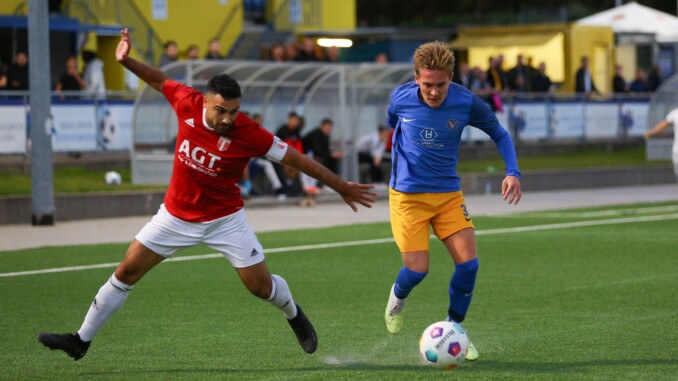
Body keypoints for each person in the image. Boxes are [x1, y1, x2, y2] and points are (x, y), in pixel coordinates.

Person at [37, 28, 376, 361]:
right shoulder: (186, 101)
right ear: (206, 100)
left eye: (234, 110)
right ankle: (80, 341)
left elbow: (297, 159)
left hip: (224, 220)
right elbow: (157, 79)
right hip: (174, 216)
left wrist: (342, 186)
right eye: (221, 110)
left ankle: (293, 313)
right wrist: (126, 62)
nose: (228, 118)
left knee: (260, 288)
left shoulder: (251, 133)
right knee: (126, 272)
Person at [382, 41, 522, 362]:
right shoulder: (399, 98)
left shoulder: (466, 102)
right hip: (407, 198)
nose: (434, 92)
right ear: (416, 78)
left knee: (469, 265)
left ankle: (455, 329)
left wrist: (512, 172)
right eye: (428, 85)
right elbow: (393, 123)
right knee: (417, 271)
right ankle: (397, 299)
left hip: (447, 195)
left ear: (451, 79)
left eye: (441, 85)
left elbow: (499, 133)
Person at [643, 107, 678, 180]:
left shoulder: (675, 113)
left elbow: (663, 125)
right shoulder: (674, 113)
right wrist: (650, 133)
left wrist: (650, 133)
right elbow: (663, 125)